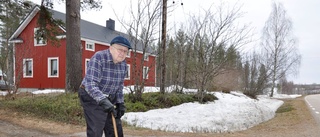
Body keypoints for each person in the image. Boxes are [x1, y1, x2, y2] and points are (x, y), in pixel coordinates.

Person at [78, 35, 131, 137]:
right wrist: (103, 101)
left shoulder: (123, 64)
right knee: (96, 129)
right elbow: (91, 84)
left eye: (125, 51)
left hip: (109, 96)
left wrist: (120, 102)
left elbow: (119, 86)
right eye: (120, 49)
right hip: (90, 95)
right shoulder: (99, 58)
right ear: (111, 48)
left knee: (115, 128)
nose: (122, 53)